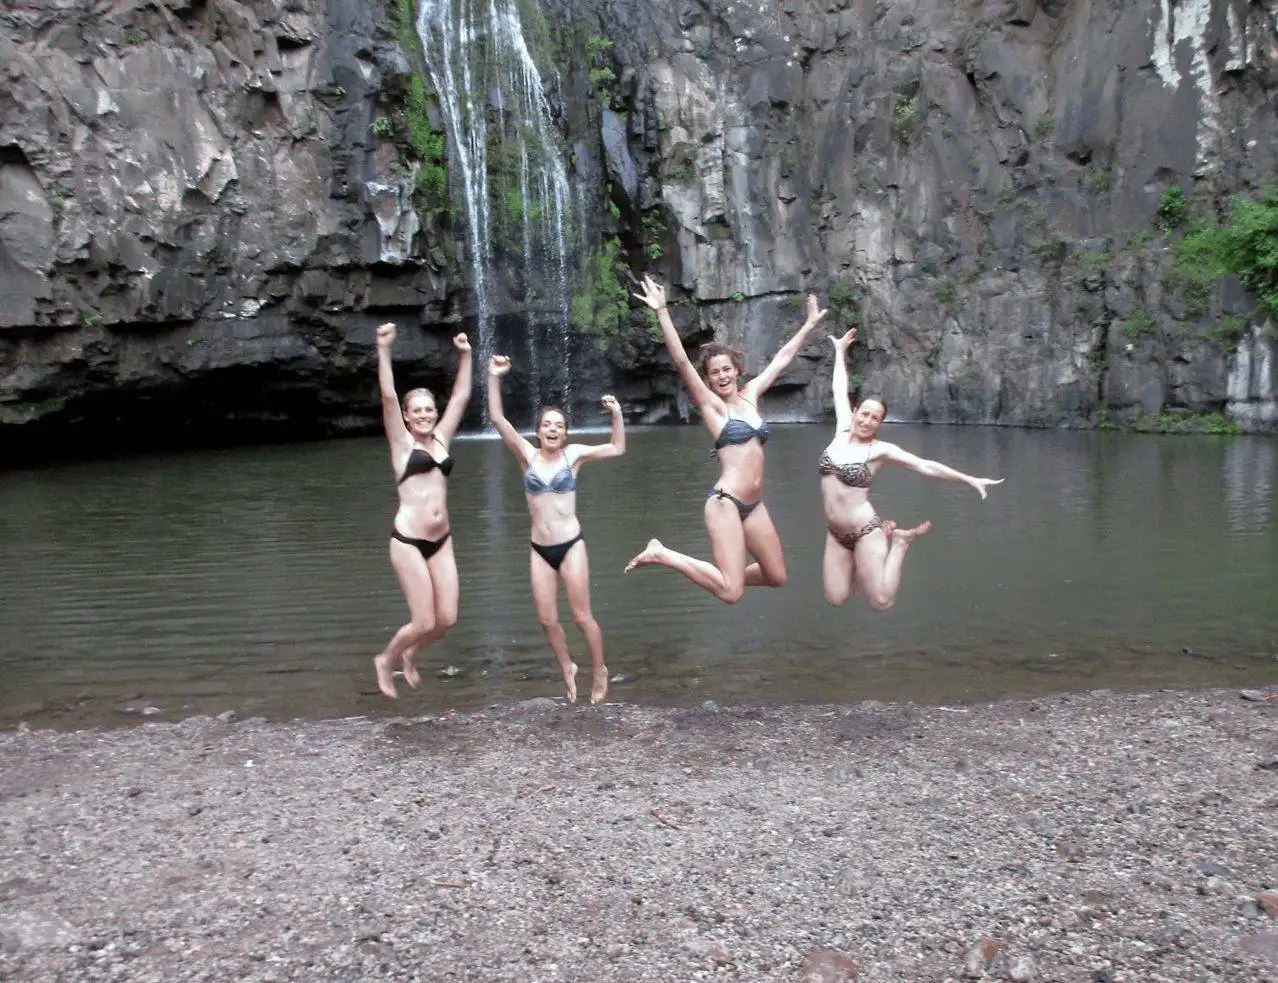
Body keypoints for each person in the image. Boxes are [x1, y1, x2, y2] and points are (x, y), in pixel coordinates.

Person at [624, 275, 827, 603]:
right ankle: (663, 554)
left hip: (754, 505)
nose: (721, 376)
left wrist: (809, 324)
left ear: (737, 370)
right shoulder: (712, 407)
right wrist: (661, 311)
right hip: (726, 503)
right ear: (709, 379)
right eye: (715, 372)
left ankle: (726, 575)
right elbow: (680, 360)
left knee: (776, 576)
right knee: (731, 593)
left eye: (726, 369)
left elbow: (782, 359)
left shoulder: (752, 394)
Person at [820, 326, 1003, 610]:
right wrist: (840, 351)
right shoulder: (841, 429)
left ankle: (901, 543)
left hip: (865, 529)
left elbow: (925, 466)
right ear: (855, 413)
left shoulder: (880, 450)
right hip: (835, 533)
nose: (867, 421)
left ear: (880, 424)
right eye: (864, 414)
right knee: (836, 598)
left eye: (874, 418)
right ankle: (861, 558)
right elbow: (838, 389)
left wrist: (969, 479)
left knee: (881, 602)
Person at [487, 355, 625, 704]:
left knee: (582, 617)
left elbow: (617, 448)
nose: (552, 430)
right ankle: (567, 666)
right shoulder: (527, 456)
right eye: (547, 425)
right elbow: (497, 418)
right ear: (538, 430)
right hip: (539, 549)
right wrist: (494, 377)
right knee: (547, 620)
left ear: (565, 432)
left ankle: (599, 670)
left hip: (571, 545)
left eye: (559, 426)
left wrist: (617, 415)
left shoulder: (573, 456)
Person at [372, 323, 472, 699]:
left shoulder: (442, 438)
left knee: (446, 619)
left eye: (430, 409)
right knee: (424, 619)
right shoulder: (401, 443)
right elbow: (386, 394)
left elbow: (461, 397)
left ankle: (410, 654)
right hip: (409, 541)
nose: (427, 415)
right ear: (408, 417)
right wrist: (384, 349)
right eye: (418, 411)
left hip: (441, 540)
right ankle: (386, 660)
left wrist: (466, 355)